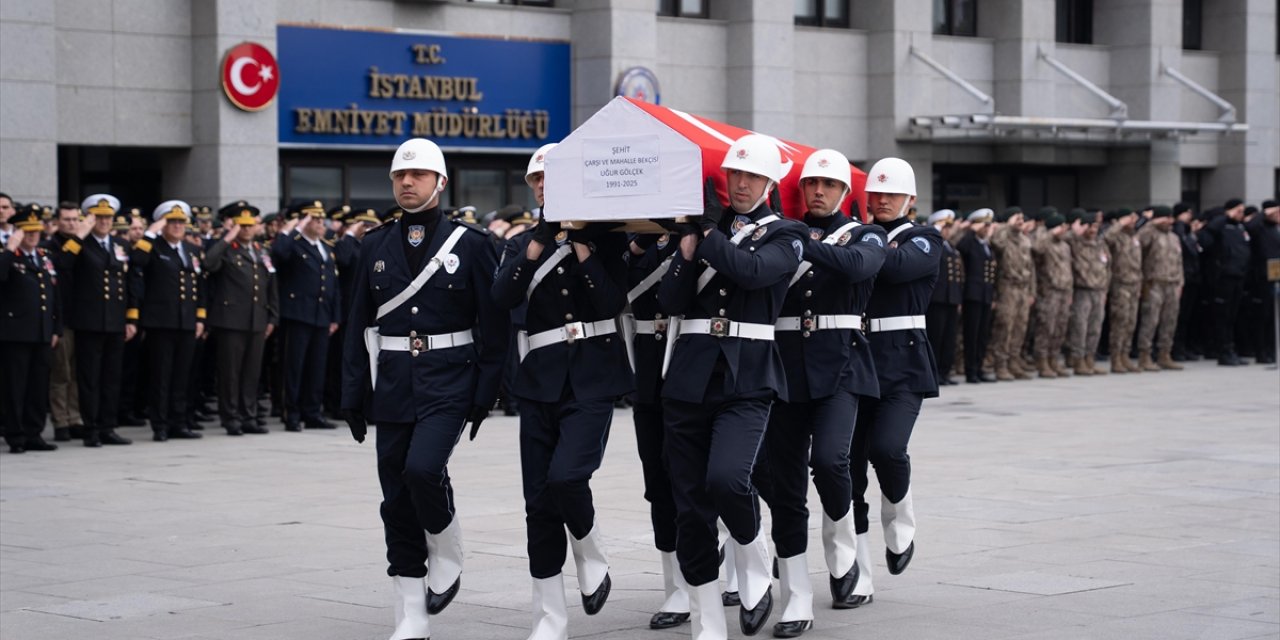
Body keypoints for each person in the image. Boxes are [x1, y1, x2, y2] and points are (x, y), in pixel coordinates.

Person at [341, 138, 508, 640]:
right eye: (399, 175)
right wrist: (352, 391)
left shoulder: (472, 243)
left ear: (441, 182)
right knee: (395, 495)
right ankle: (411, 612)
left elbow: (494, 325)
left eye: (417, 175)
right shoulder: (374, 243)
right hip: (393, 380)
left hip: (450, 377)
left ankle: (447, 543)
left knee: (422, 468)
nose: (407, 183)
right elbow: (357, 323)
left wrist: (486, 392)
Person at [656, 134, 807, 639]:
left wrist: (705, 230)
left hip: (748, 375)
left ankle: (753, 548)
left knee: (726, 479)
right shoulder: (707, 231)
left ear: (770, 183)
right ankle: (707, 622)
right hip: (689, 375)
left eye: (752, 176)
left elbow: (752, 272)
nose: (741, 183)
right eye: (735, 174)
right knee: (690, 507)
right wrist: (685, 250)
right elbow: (671, 301)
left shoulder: (787, 233)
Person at [492, 142, 632, 640]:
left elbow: (613, 302)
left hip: (593, 374)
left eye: (552, 176)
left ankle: (590, 551)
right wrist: (535, 247)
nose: (543, 185)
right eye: (537, 179)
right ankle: (549, 617)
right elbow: (502, 296)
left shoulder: (607, 238)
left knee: (567, 477)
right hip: (540, 379)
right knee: (538, 502)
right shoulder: (520, 244)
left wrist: (582, 246)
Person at [755, 148, 886, 636]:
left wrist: (798, 242)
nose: (818, 191)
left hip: (842, 365)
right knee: (782, 482)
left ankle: (842, 541)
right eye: (811, 183)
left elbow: (856, 266)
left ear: (844, 192)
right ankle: (796, 596)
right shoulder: (781, 233)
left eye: (828, 185)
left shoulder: (866, 234)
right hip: (786, 368)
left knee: (831, 462)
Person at [624, 226, 688, 630]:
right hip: (648, 367)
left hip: (693, 359)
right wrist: (640, 241)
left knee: (709, 478)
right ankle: (676, 584)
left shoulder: (702, 231)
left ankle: (740, 560)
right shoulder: (630, 238)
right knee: (658, 482)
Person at [52, 194, 134, 446]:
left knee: (112, 378)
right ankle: (91, 429)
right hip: (89, 321)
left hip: (115, 320)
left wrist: (131, 317)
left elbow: (129, 282)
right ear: (90, 219)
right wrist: (79, 235)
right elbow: (62, 264)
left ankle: (108, 426)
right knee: (89, 379)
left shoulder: (120, 245)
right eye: (99, 217)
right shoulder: (80, 244)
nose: (104, 221)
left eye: (108, 217)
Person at [128, 200, 207, 441]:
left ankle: (178, 422)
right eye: (172, 222)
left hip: (187, 321)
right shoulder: (153, 247)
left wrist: (200, 316)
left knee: (182, 376)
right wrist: (151, 232)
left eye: (181, 222)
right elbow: (136, 261)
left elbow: (200, 285)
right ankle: (160, 425)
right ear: (163, 224)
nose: (177, 226)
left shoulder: (191, 250)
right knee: (161, 376)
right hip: (161, 322)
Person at [204, 202, 278, 435]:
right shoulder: (227, 249)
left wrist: (272, 317)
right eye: (242, 225)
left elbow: (271, 285)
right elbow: (209, 263)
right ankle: (231, 417)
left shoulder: (261, 251)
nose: (246, 229)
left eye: (249, 225)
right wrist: (227, 237)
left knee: (251, 372)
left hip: (257, 319)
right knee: (230, 373)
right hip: (231, 320)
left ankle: (248, 416)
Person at [271, 201, 342, 430]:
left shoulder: (325, 247)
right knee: (294, 367)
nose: (321, 224)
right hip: (297, 314)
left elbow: (333, 285)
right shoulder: (294, 244)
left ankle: (312, 412)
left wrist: (334, 316)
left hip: (321, 316)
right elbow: (278, 252)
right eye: (315, 219)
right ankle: (291, 413)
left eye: (322, 220)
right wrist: (294, 228)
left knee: (316, 368)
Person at [0, 205, 62, 453]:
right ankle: (16, 436)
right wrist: (9, 249)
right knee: (15, 387)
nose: (33, 235)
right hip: (16, 332)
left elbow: (55, 295)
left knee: (38, 386)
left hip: (42, 331)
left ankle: (34, 433)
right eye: (27, 231)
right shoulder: (9, 257)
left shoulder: (44, 257)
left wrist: (56, 327)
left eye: (36, 230)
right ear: (18, 232)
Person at [42, 202, 84, 441]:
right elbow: (63, 263)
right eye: (67, 219)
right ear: (57, 222)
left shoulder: (84, 242)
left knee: (78, 374)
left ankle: (75, 417)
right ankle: (60, 421)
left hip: (84, 317)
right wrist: (77, 239)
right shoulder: (49, 246)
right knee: (61, 373)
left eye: (75, 219)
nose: (72, 224)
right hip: (62, 318)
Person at [1199, 199, 1253, 366]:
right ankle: (1223, 351)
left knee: (1232, 317)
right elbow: (1205, 241)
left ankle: (1230, 349)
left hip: (1238, 275)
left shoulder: (1240, 227)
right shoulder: (1219, 226)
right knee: (1222, 316)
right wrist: (1224, 217)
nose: (1241, 214)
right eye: (1238, 210)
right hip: (1223, 277)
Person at [1134, 206, 1185, 371]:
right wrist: (1150, 223)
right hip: (1153, 282)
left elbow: (1179, 262)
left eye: (1171, 218)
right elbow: (1137, 250)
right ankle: (1144, 355)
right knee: (1150, 319)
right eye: (1165, 218)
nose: (1169, 221)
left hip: (1172, 283)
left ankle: (1165, 354)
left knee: (1169, 320)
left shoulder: (1174, 237)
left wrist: (1180, 282)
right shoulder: (1148, 233)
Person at [1064, 209, 1110, 376]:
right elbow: (1064, 239)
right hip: (1082, 290)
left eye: (1095, 227)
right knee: (1080, 327)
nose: (1093, 230)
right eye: (1090, 226)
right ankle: (1077, 360)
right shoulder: (1075, 241)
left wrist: (1105, 288)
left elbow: (1107, 266)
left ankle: (1090, 358)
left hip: (1099, 290)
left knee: (1095, 327)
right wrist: (1076, 230)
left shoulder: (1100, 243)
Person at [955, 209, 997, 383]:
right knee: (971, 334)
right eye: (984, 225)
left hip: (985, 295)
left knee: (982, 335)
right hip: (972, 295)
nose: (987, 228)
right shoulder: (969, 242)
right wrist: (970, 230)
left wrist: (993, 296)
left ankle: (979, 368)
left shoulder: (986, 245)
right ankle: (970, 370)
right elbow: (960, 247)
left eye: (988, 225)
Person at [1030, 211, 1073, 377]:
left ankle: (1053, 358)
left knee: (1060, 327)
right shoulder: (1045, 242)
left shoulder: (1065, 246)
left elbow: (1068, 270)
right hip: (1049, 291)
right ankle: (1042, 361)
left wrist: (1070, 292)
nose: (1063, 230)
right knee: (1046, 327)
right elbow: (1036, 248)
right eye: (1060, 227)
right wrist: (1049, 233)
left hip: (1064, 290)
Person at [1104, 208, 1144, 373]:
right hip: (1120, 284)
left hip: (1134, 283)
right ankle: (1116, 358)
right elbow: (1106, 238)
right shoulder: (1116, 235)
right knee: (1119, 322)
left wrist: (1140, 284)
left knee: (1131, 322)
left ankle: (1125, 355)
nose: (1133, 221)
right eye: (1129, 218)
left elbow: (1138, 263)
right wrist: (1120, 224)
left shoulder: (1134, 236)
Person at [926, 209, 962, 386]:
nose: (948, 230)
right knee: (936, 337)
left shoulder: (951, 248)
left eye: (949, 227)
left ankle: (944, 372)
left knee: (949, 338)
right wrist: (936, 232)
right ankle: (934, 374)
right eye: (944, 227)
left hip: (951, 298)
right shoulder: (935, 245)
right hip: (937, 299)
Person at [1245, 200, 1279, 364]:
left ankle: (1273, 350)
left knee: (1274, 316)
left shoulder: (1275, 229)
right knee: (1263, 316)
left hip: (1276, 276)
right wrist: (1263, 214)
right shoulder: (1260, 227)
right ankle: (1261, 351)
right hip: (1262, 277)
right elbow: (1249, 227)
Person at [1171, 204, 1204, 361]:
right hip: (1182, 276)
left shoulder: (1188, 231)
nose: (1189, 216)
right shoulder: (1178, 230)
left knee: (1188, 316)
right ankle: (1176, 348)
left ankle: (1183, 346)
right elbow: (1186, 249)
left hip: (1192, 276)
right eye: (1187, 213)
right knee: (1180, 316)